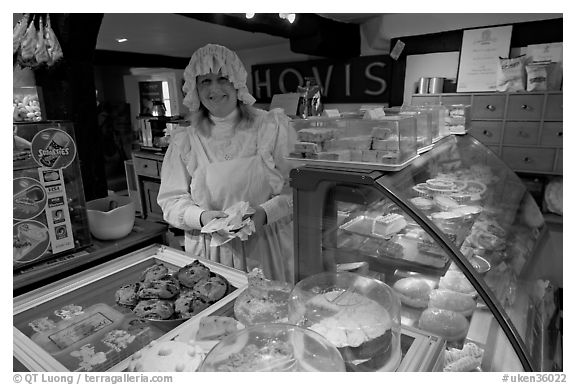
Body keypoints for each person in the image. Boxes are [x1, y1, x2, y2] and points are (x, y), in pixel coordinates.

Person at [157, 44, 297, 283]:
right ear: (194, 88)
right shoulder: (186, 140)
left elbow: (296, 186)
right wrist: (203, 217)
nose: (214, 89)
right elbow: (170, 201)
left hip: (267, 245)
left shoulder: (272, 127)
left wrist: (265, 213)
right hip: (212, 252)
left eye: (223, 78)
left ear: (237, 82)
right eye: (205, 81)